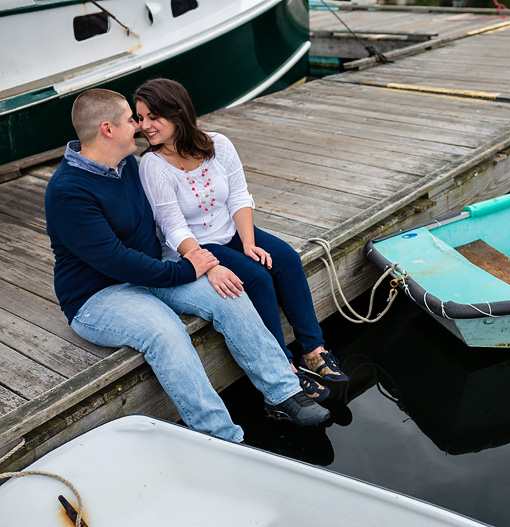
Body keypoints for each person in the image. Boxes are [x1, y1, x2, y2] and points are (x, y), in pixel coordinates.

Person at [44, 89, 330, 443]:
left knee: (230, 291)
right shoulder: (68, 191)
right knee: (166, 332)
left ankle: (283, 392)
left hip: (150, 273)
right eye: (131, 119)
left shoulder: (124, 165)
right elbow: (116, 260)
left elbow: (165, 227)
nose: (139, 126)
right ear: (107, 129)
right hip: (99, 295)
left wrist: (206, 266)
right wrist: (186, 269)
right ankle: (223, 437)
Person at [133, 79, 348, 402]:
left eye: (153, 117)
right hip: (193, 246)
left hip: (231, 232)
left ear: (177, 113)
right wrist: (206, 264)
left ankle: (313, 350)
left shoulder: (217, 144)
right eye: (140, 118)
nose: (144, 126)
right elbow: (173, 227)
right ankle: (283, 366)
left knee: (286, 259)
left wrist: (248, 242)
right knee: (257, 279)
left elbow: (238, 197)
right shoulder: (153, 165)